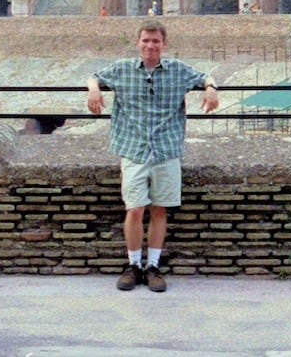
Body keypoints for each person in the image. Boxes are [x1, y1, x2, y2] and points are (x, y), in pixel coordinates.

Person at [86, 20, 218, 293]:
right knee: (134, 209)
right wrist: (94, 89)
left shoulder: (178, 70)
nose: (150, 45)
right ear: (138, 43)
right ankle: (133, 265)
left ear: (164, 44)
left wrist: (212, 89)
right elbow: (93, 76)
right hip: (133, 149)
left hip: (166, 149)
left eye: (155, 41)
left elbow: (206, 76)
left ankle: (153, 266)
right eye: (146, 40)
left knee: (160, 209)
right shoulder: (122, 69)